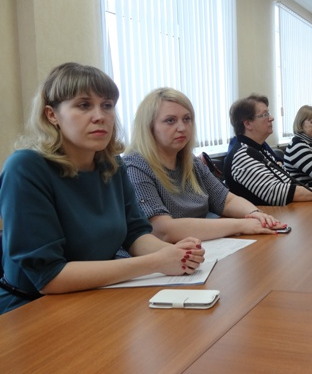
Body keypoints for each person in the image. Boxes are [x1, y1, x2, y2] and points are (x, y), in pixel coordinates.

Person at [0, 63, 204, 314]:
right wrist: (156, 262)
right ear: (52, 115)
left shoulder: (111, 164)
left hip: (97, 296)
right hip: (31, 309)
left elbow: (135, 235)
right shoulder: (25, 167)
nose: (100, 116)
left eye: (107, 105)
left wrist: (178, 255)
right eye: (84, 105)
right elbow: (49, 277)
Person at [123, 88, 286, 243]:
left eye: (187, 119)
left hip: (205, 245)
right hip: (171, 254)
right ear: (149, 127)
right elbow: (162, 230)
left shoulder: (190, 161)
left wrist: (255, 214)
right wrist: (241, 225)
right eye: (170, 120)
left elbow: (226, 200)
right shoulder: (136, 166)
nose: (182, 127)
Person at [224, 94, 312, 205]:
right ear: (248, 123)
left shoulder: (259, 149)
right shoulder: (243, 155)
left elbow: (288, 182)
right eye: (265, 115)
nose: (271, 118)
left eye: (269, 113)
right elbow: (279, 193)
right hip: (268, 218)